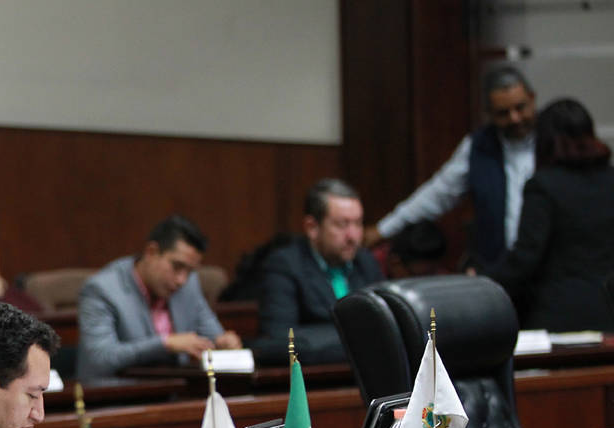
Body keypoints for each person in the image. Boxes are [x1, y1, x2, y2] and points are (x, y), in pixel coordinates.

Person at [366, 66, 537, 270]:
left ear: (532, 99)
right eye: (503, 113)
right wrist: (383, 230)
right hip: (497, 268)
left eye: (520, 108)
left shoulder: (555, 140)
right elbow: (438, 194)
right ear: (489, 114)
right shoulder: (478, 146)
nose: (515, 118)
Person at [485, 98, 614, 332]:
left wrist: (484, 283)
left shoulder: (543, 186)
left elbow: (526, 257)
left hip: (560, 316)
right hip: (608, 312)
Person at [77, 215, 241, 380]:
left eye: (190, 271)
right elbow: (101, 358)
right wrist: (165, 343)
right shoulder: (102, 289)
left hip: (174, 389)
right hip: (119, 392)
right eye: (177, 266)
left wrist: (223, 342)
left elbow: (211, 333)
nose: (182, 280)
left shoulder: (189, 284)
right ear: (152, 252)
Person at [254, 179, 383, 365]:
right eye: (342, 225)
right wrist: (359, 341)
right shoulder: (284, 265)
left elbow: (384, 325)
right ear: (312, 227)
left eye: (358, 224)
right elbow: (280, 339)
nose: (353, 236)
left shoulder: (366, 261)